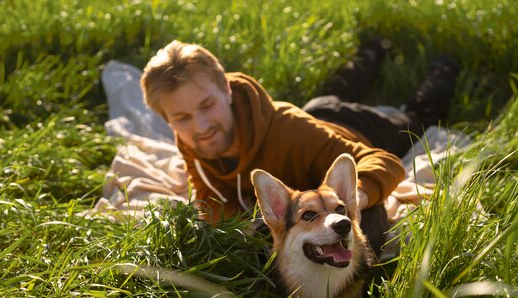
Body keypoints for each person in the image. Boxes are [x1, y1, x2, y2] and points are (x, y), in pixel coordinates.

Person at [140, 39, 460, 257]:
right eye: (181, 117)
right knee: (329, 95)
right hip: (315, 114)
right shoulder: (193, 138)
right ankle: (371, 50)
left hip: (356, 128)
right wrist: (245, 229)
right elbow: (209, 196)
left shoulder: (290, 131)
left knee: (414, 119)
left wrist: (354, 197)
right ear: (168, 119)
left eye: (207, 105)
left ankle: (445, 63)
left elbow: (384, 161)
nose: (200, 125)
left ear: (226, 89)